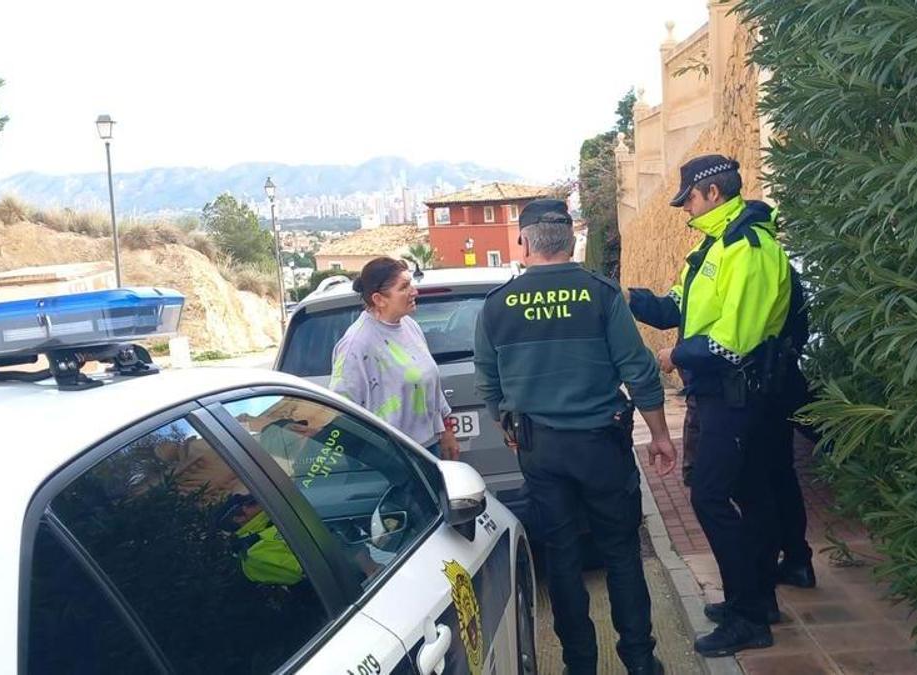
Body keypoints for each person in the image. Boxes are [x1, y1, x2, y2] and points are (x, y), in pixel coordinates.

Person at [474, 199, 677, 675]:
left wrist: (508, 427)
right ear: (571, 242)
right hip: (601, 445)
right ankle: (641, 662)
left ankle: (580, 665)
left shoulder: (497, 306)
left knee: (561, 557)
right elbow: (640, 372)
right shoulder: (601, 294)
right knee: (621, 553)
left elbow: (488, 383)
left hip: (540, 450)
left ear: (523, 243)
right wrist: (661, 435)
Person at [625, 154, 798, 656]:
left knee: (709, 496)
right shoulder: (712, 248)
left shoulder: (749, 247)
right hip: (723, 394)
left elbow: (733, 340)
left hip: (737, 394)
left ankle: (747, 616)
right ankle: (758, 600)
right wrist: (626, 297)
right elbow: (675, 307)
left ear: (713, 195)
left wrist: (674, 355)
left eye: (690, 201)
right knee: (750, 493)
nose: (685, 211)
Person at [329, 256, 460, 459]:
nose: (414, 292)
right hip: (392, 457)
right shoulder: (357, 345)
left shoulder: (409, 326)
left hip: (427, 447)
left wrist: (447, 429)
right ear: (379, 299)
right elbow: (342, 408)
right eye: (404, 287)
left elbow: (430, 384)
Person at [213, 493, 304, 586]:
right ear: (239, 518)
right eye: (251, 502)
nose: (257, 500)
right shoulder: (254, 552)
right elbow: (307, 569)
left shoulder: (275, 517)